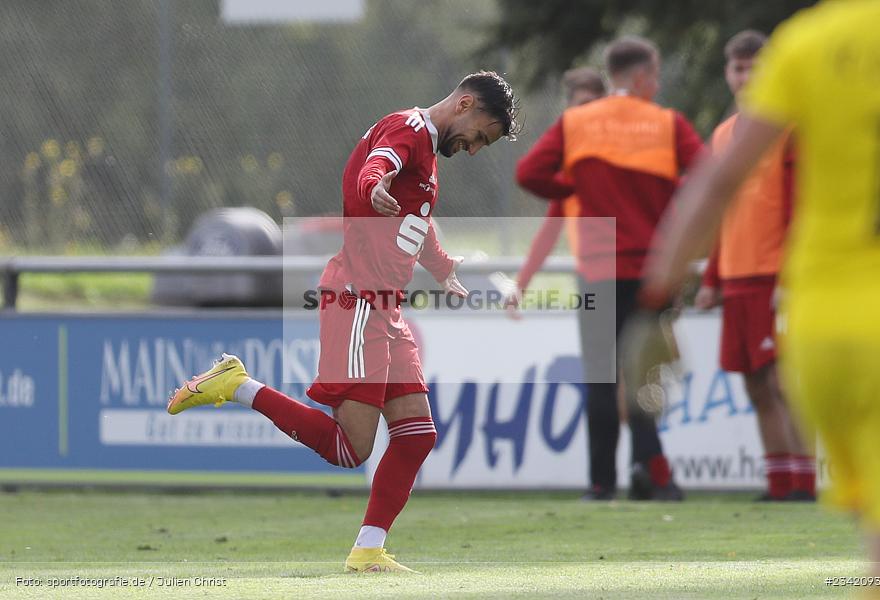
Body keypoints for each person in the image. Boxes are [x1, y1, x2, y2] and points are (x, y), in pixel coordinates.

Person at [168, 71, 520, 574]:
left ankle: (368, 551)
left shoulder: (425, 155)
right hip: (357, 302)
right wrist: (373, 186)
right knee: (349, 447)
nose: (474, 149)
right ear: (465, 104)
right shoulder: (410, 131)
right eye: (481, 135)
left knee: (417, 435)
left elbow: (415, 223)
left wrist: (442, 266)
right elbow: (378, 166)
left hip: (387, 308)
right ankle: (238, 384)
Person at [642, 0, 880, 590]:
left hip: (825, 323)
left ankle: (798, 483)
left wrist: (655, 297)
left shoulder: (806, 45)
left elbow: (715, 185)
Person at [517, 37, 705, 501]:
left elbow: (528, 174)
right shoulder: (667, 123)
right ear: (641, 77)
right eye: (655, 77)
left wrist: (575, 187)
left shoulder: (577, 122)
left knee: (601, 376)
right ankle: (653, 475)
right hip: (651, 268)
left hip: (597, 263)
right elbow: (707, 177)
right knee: (644, 376)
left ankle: (601, 483)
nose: (656, 86)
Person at [694, 30, 815, 502]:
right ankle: (779, 482)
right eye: (738, 68)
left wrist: (790, 274)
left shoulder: (788, 127)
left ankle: (805, 481)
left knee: (780, 381)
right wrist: (711, 279)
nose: (745, 77)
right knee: (754, 386)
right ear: (728, 74)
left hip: (772, 275)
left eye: (754, 67)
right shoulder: (725, 134)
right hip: (737, 278)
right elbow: (723, 211)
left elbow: (797, 205)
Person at [511, 67, 606, 315]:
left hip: (636, 274)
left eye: (595, 105)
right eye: (582, 105)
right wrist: (520, 286)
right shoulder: (572, 176)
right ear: (569, 110)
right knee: (601, 353)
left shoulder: (622, 160)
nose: (588, 114)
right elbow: (551, 230)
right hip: (595, 274)